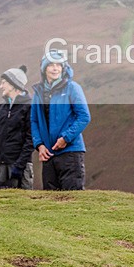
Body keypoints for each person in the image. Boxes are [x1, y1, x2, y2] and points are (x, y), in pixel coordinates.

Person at [31, 50, 91, 191]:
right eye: (51, 65)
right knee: (51, 203)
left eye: (59, 65)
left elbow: (84, 117)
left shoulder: (72, 88)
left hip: (70, 152)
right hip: (48, 154)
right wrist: (39, 145)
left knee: (72, 199)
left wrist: (66, 138)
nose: (55, 68)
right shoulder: (39, 93)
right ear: (44, 68)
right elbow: (34, 121)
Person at [0, 65, 34, 190]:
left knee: (22, 205)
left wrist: (20, 165)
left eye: (4, 83)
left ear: (14, 85)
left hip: (19, 165)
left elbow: (31, 139)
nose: (1, 86)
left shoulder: (29, 106)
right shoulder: (1, 107)